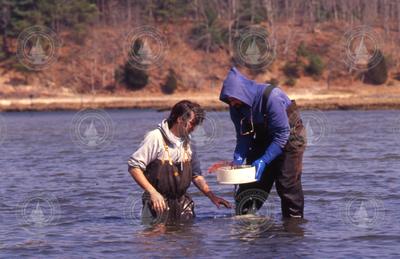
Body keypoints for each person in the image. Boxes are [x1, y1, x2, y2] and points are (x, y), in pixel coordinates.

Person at [218, 67, 307, 218]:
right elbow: (244, 137)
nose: (231, 103)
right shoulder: (235, 107)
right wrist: (238, 157)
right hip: (263, 138)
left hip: (290, 137)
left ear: (243, 92)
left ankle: (293, 227)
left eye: (233, 99)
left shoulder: (271, 97)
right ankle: (244, 225)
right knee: (250, 183)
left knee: (286, 183)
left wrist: (264, 160)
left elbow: (282, 134)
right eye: (229, 100)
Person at [128, 100, 231, 225]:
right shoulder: (155, 137)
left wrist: (212, 196)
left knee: (188, 238)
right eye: (192, 123)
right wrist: (153, 193)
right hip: (157, 202)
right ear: (180, 119)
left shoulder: (189, 142)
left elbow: (196, 175)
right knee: (155, 241)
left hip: (183, 203)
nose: (194, 128)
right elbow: (134, 167)